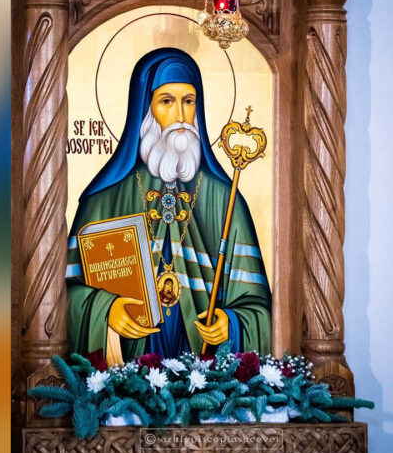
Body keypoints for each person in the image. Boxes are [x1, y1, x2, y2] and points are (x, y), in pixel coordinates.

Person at [66, 47, 271, 365]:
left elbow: (257, 307)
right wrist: (106, 310)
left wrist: (230, 324)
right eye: (166, 101)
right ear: (144, 109)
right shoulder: (105, 198)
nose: (180, 116)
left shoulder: (225, 199)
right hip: (128, 369)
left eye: (188, 101)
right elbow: (63, 294)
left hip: (205, 375)